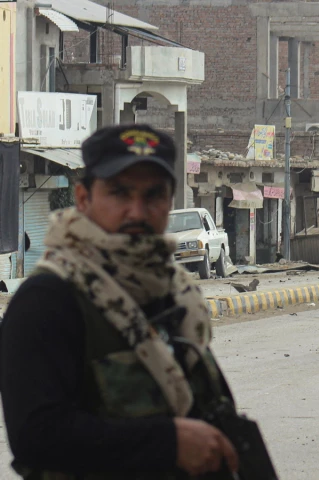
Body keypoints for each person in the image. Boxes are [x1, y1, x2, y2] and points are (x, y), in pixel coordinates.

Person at [0, 125, 240, 478]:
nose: (137, 211)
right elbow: (36, 437)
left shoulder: (174, 294)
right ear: (83, 199)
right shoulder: (48, 301)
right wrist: (168, 443)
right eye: (119, 193)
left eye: (153, 194)